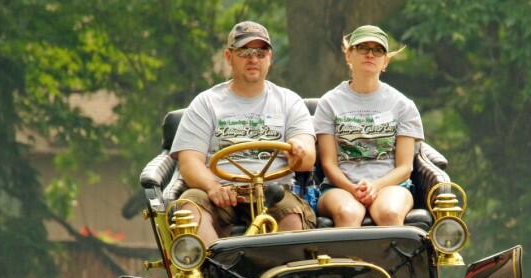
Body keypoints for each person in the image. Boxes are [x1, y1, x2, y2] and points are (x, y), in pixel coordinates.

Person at [170, 21, 317, 244]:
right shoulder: (206, 103)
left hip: (274, 194)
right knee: (190, 208)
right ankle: (213, 273)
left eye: (261, 52)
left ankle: (282, 277)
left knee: (293, 216)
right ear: (229, 57)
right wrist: (213, 187)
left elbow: (307, 159)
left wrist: (299, 151)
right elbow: (189, 163)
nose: (253, 59)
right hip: (220, 194)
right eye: (245, 52)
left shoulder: (289, 101)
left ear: (270, 57)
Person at [313, 25, 424, 227]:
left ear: (385, 61)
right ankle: (347, 259)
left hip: (391, 185)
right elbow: (328, 164)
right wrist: (352, 188)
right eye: (363, 47)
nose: (370, 54)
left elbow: (405, 167)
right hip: (339, 187)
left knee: (389, 213)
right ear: (349, 55)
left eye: (378, 50)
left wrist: (376, 185)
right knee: (348, 213)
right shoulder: (328, 103)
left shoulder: (403, 105)